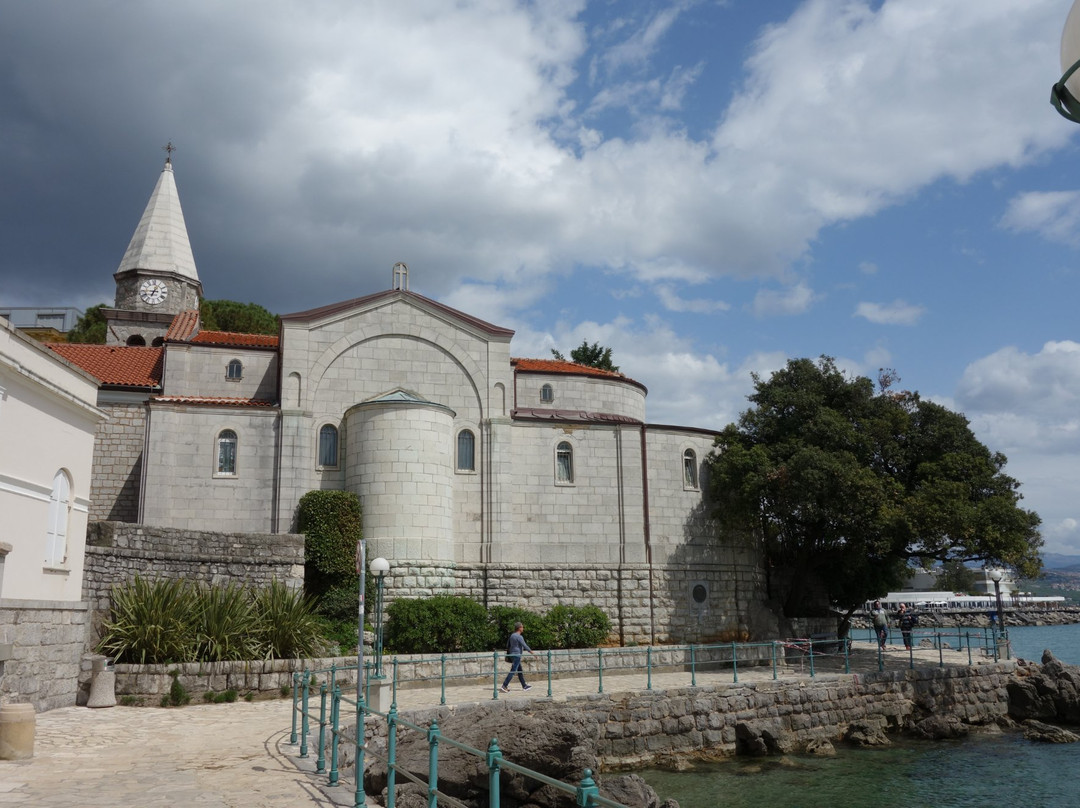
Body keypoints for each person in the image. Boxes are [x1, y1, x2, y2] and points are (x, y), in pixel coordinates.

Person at [500, 622, 535, 693]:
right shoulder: (519, 636)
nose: (523, 628)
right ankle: (504, 685)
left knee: (519, 671)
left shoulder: (512, 635)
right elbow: (524, 645)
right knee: (513, 671)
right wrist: (532, 653)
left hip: (512, 655)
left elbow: (507, 645)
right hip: (517, 655)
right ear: (519, 628)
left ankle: (524, 686)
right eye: (522, 627)